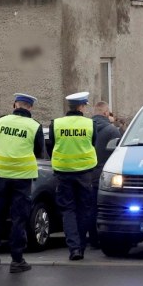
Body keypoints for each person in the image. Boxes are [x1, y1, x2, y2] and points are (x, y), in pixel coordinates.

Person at [0, 93, 45, 274]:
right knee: (19, 219)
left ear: (14, 105)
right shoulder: (34, 126)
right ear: (30, 108)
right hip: (22, 178)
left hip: (1, 177)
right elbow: (39, 151)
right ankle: (17, 260)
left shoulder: (1, 122)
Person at [50, 92, 97, 261]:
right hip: (84, 173)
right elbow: (93, 144)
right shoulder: (90, 124)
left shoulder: (56, 124)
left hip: (63, 173)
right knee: (84, 210)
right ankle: (82, 246)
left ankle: (74, 248)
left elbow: (53, 145)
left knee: (68, 211)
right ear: (82, 106)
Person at [89, 101, 122, 247]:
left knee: (87, 208)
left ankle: (91, 239)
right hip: (104, 176)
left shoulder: (85, 128)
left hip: (85, 174)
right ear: (105, 113)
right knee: (104, 208)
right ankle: (103, 237)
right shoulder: (112, 131)